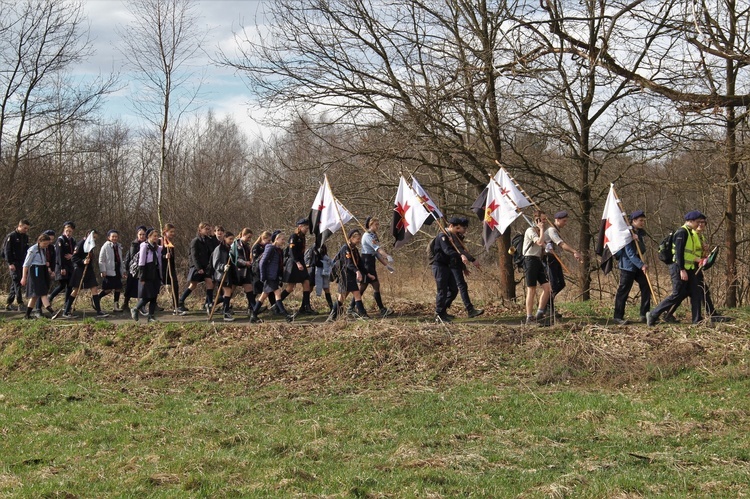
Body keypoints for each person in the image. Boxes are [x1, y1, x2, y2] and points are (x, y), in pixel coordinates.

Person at [647, 211, 706, 326]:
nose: (699, 224)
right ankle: (653, 313)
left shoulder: (690, 233)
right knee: (677, 294)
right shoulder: (681, 232)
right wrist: (682, 270)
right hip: (679, 268)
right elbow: (679, 253)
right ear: (691, 221)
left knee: (696, 292)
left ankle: (697, 320)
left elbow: (689, 253)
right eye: (697, 222)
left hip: (689, 268)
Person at [429, 217, 477, 323]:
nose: (459, 231)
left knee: (454, 289)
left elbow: (457, 249)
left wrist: (464, 264)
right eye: (457, 229)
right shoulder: (443, 236)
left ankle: (443, 312)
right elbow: (447, 251)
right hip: (439, 266)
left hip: (447, 266)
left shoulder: (452, 236)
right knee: (442, 291)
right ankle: (439, 315)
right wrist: (460, 255)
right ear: (451, 226)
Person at [349, 217, 394, 317]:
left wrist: (386, 265)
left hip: (371, 261)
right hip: (366, 262)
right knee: (370, 285)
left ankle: (351, 307)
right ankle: (381, 309)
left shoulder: (373, 235)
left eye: (378, 224)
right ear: (370, 225)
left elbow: (376, 254)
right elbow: (378, 249)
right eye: (376, 224)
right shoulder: (367, 236)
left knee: (366, 286)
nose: (377, 226)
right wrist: (387, 255)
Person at [612, 210, 651, 325]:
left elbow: (642, 250)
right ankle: (618, 316)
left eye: (643, 221)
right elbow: (629, 254)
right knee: (623, 291)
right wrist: (641, 265)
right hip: (628, 266)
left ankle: (644, 314)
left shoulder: (638, 233)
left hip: (638, 265)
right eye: (640, 220)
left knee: (646, 287)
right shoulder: (627, 233)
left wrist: (638, 241)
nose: (642, 223)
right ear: (634, 221)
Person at [58, 230, 108, 318]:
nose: (94, 239)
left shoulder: (91, 245)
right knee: (76, 290)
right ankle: (66, 311)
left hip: (89, 270)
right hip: (80, 270)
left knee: (94, 288)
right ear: (88, 235)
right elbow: (74, 258)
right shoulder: (81, 244)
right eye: (93, 237)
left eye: (95, 238)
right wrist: (82, 261)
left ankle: (99, 311)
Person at [544, 211, 582, 318]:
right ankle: (547, 309)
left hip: (555, 259)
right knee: (554, 285)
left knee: (561, 284)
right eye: (564, 221)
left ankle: (548, 307)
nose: (565, 223)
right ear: (557, 220)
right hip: (549, 259)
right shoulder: (551, 230)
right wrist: (574, 251)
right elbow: (561, 244)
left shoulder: (556, 230)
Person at [328, 228, 370, 321]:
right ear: (351, 238)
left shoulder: (354, 249)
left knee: (344, 297)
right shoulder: (346, 248)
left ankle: (333, 316)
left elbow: (359, 263)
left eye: (359, 238)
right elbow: (348, 263)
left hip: (350, 275)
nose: (359, 241)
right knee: (352, 295)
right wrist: (357, 271)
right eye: (357, 239)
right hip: (345, 275)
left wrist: (367, 273)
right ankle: (362, 314)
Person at [446, 218, 483, 318]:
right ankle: (470, 310)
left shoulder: (457, 236)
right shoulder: (450, 235)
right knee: (460, 286)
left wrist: (463, 267)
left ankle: (442, 310)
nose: (465, 230)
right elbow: (460, 251)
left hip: (456, 265)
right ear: (457, 227)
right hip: (451, 265)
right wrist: (473, 260)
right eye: (464, 228)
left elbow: (460, 253)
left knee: (454, 290)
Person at [251, 230, 292, 323]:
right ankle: (286, 315)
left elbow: (279, 264)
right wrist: (263, 276)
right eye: (282, 239)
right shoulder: (270, 248)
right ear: (276, 239)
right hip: (269, 276)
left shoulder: (279, 250)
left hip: (274, 276)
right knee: (277, 294)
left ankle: (253, 315)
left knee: (264, 296)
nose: (283, 241)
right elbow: (262, 263)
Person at [280, 218, 315, 316]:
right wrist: (297, 263)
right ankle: (276, 304)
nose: (307, 229)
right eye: (305, 227)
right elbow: (291, 252)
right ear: (300, 227)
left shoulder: (303, 237)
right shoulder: (294, 237)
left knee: (307, 282)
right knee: (290, 287)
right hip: (294, 263)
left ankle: (306, 307)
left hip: (301, 262)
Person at [178, 222, 215, 313]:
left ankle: (209, 303)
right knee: (193, 285)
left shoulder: (208, 240)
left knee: (209, 283)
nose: (207, 231)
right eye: (206, 229)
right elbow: (194, 256)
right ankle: (181, 301)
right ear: (200, 230)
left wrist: (213, 237)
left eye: (208, 229)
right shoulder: (195, 241)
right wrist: (198, 268)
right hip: (197, 267)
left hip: (206, 266)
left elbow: (213, 250)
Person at [522, 211, 551, 325]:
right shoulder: (530, 231)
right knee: (531, 289)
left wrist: (547, 248)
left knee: (547, 287)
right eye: (543, 219)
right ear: (537, 220)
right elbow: (539, 242)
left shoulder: (539, 232)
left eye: (545, 219)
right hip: (529, 260)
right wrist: (542, 230)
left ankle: (539, 313)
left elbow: (543, 245)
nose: (544, 222)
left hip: (538, 260)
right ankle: (529, 317)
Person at [20, 233, 57, 319]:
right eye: (44, 244)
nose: (46, 246)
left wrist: (47, 267)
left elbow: (43, 260)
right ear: (39, 241)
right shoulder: (32, 250)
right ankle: (51, 311)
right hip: (35, 271)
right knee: (42, 292)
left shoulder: (43, 249)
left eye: (47, 244)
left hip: (42, 269)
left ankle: (27, 315)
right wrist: (24, 277)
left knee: (35, 295)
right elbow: (26, 264)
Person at [130, 228, 163, 323]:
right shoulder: (145, 246)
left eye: (157, 236)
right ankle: (136, 308)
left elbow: (159, 260)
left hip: (155, 273)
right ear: (149, 236)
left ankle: (151, 316)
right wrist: (142, 276)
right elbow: (141, 262)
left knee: (154, 296)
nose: (156, 238)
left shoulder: (157, 247)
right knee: (148, 295)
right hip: (147, 273)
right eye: (154, 236)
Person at [96, 230, 127, 313]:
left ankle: (115, 306)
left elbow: (121, 260)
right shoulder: (105, 246)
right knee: (108, 289)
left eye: (116, 236)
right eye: (113, 236)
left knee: (118, 288)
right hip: (109, 270)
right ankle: (97, 298)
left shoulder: (119, 246)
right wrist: (103, 270)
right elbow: (101, 260)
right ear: (109, 237)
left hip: (117, 269)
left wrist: (123, 271)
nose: (114, 238)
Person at [4, 219, 31, 311]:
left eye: (27, 229)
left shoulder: (25, 237)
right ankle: (20, 302)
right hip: (14, 262)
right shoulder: (11, 236)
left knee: (14, 283)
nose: (26, 230)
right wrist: (10, 263)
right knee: (17, 281)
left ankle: (8, 303)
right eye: (25, 228)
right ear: (19, 226)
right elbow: (7, 251)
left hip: (21, 262)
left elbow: (27, 249)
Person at [211, 230, 238, 322]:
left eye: (232, 239)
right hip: (222, 274)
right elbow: (216, 263)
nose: (231, 241)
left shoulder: (230, 249)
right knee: (227, 292)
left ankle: (212, 304)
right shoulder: (219, 249)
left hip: (229, 274)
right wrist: (223, 267)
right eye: (230, 239)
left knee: (228, 292)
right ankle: (226, 312)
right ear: (225, 238)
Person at [160, 223, 184, 315]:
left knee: (175, 286)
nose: (173, 233)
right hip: (162, 268)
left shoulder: (170, 243)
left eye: (174, 232)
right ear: (165, 232)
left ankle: (176, 307)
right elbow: (157, 254)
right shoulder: (161, 241)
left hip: (170, 268)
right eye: (171, 232)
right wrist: (164, 256)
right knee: (156, 287)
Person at [230, 228, 256, 316]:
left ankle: (253, 308)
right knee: (229, 291)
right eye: (248, 237)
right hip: (236, 271)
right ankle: (218, 304)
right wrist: (245, 263)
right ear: (243, 235)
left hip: (245, 271)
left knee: (249, 288)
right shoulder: (237, 244)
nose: (249, 239)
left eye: (250, 238)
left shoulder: (246, 245)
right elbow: (237, 259)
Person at [33, 229, 57, 318]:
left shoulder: (51, 247)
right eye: (49, 239)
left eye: (52, 240)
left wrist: (53, 270)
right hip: (40, 270)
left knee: (45, 290)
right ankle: (38, 309)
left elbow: (53, 259)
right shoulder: (38, 248)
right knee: (40, 290)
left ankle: (42, 308)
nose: (50, 242)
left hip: (49, 270)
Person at [123, 226, 147, 312]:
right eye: (140, 234)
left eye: (144, 234)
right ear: (137, 235)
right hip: (133, 269)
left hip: (142, 269)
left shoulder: (147, 243)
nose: (142, 236)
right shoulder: (134, 244)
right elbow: (132, 257)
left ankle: (141, 305)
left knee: (142, 288)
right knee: (130, 287)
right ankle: (125, 303)